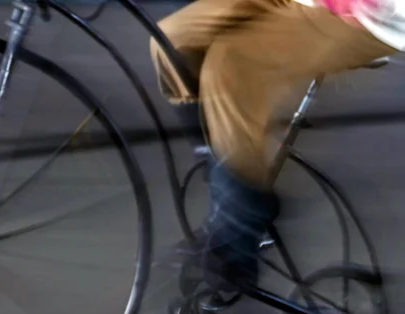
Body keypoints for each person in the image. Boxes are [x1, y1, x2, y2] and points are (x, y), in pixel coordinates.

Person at [150, 0, 402, 292]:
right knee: (171, 42)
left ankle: (238, 229)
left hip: (372, 13)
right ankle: (229, 190)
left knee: (233, 65)